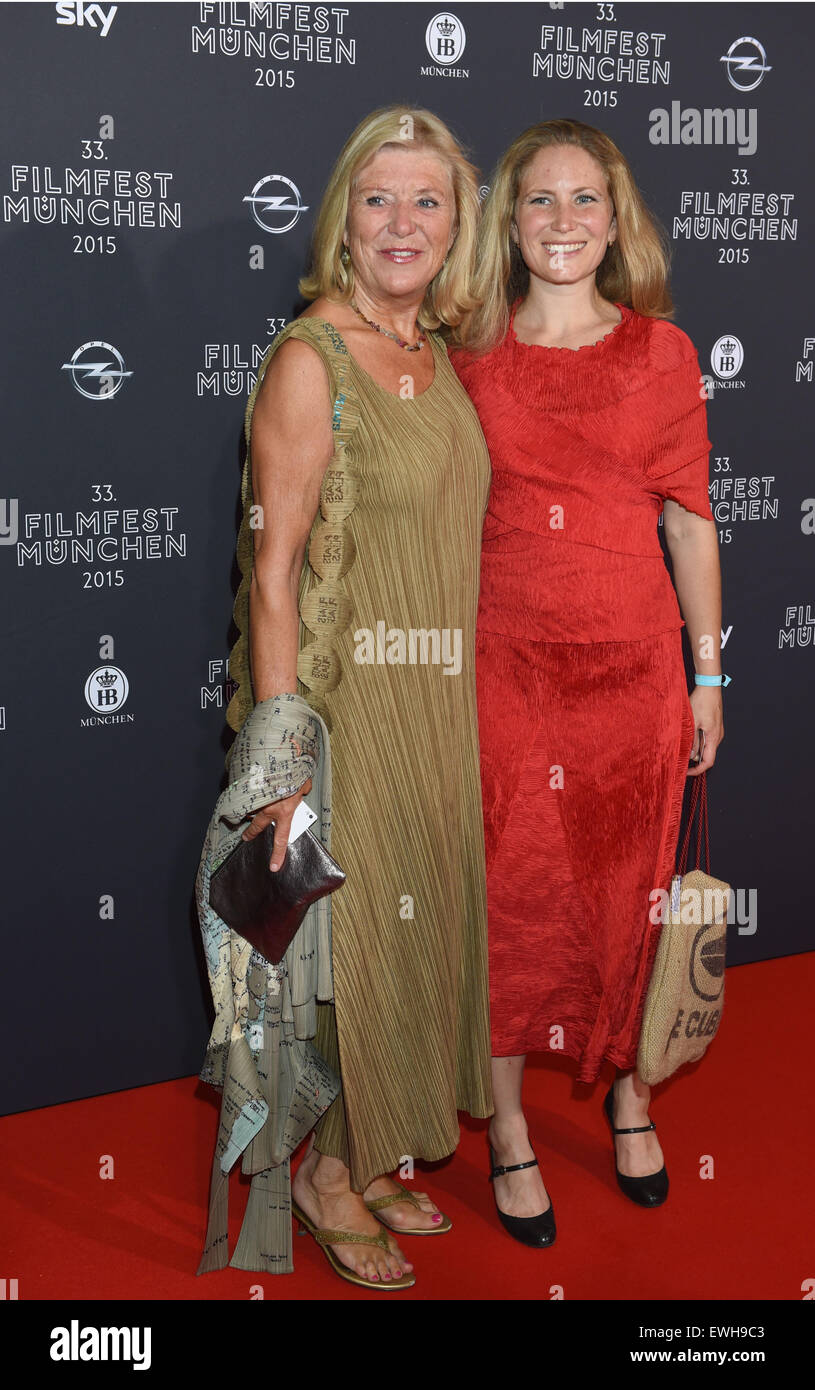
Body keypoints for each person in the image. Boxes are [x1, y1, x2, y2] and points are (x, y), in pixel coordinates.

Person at [218, 105, 493, 1289]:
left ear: (455, 224)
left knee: (405, 931)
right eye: (377, 198)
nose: (401, 222)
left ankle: (368, 1144)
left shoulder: (434, 355)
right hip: (341, 712)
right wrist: (280, 765)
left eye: (425, 200)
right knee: (341, 948)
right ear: (343, 217)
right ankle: (323, 1180)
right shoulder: (309, 358)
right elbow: (271, 571)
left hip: (433, 702)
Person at [449, 118, 725, 1246]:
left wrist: (706, 673)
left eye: (583, 201)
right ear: (507, 226)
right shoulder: (466, 349)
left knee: (627, 898)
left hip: (632, 677)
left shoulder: (662, 353)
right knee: (510, 900)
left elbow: (689, 524)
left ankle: (630, 1093)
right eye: (538, 202)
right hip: (505, 675)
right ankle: (507, 1129)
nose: (562, 222)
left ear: (615, 222)